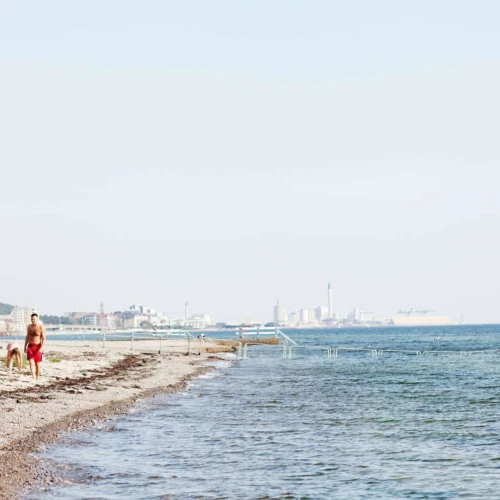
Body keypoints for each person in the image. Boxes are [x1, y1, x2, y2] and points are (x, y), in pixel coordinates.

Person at [24, 313, 45, 382]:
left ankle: (37, 377)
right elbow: (27, 337)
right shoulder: (29, 327)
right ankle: (33, 378)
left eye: (34, 319)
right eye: (31, 319)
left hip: (38, 347)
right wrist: (25, 346)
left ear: (37, 319)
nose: (33, 321)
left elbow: (44, 338)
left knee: (37, 364)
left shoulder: (40, 327)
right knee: (31, 362)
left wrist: (42, 347)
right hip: (30, 346)